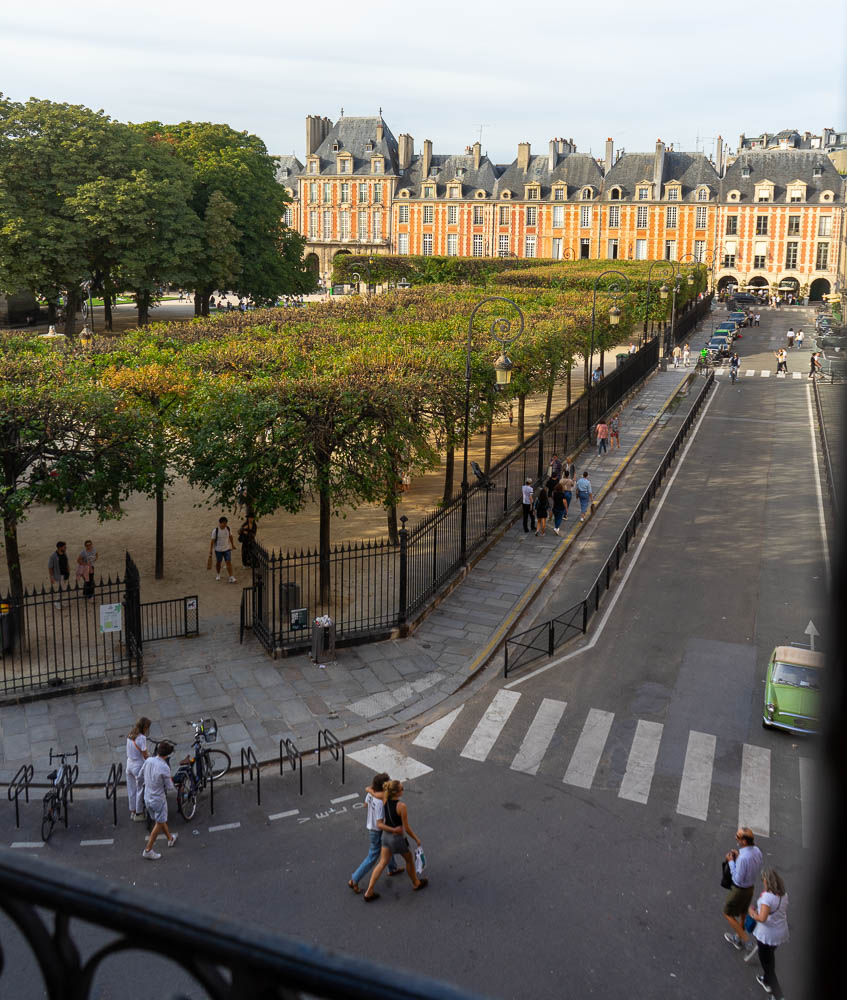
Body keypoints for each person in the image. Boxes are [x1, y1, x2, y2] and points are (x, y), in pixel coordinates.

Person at [363, 779, 427, 901]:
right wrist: (416, 839)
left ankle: (369, 891)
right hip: (397, 839)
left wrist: (368, 789)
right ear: (397, 793)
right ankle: (416, 883)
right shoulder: (401, 806)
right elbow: (406, 828)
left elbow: (373, 793)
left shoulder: (384, 798)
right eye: (402, 788)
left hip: (386, 836)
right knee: (409, 860)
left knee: (382, 863)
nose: (403, 790)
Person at [348, 772, 400, 893]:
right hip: (378, 830)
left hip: (372, 828)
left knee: (388, 846)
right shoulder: (381, 802)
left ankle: (392, 868)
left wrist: (372, 792)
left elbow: (365, 804)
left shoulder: (371, 794)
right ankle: (354, 879)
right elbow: (380, 823)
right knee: (373, 856)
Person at [747, 868, 789, 998]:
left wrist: (752, 912)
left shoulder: (767, 898)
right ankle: (765, 980)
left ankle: (778, 996)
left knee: (768, 966)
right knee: (770, 957)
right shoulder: (783, 895)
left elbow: (762, 918)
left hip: (767, 935)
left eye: (764, 881)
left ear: (768, 882)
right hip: (780, 932)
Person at [723, 826, 763, 953]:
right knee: (743, 913)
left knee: (727, 913)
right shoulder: (757, 851)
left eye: (738, 836)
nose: (736, 838)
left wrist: (731, 861)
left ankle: (746, 941)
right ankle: (738, 938)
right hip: (750, 888)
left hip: (739, 890)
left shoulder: (743, 859)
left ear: (744, 841)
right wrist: (739, 855)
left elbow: (737, 879)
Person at [141, 740, 178, 859]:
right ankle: (148, 849)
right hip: (158, 800)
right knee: (159, 823)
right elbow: (169, 786)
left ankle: (170, 838)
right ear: (167, 755)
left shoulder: (148, 761)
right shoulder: (164, 767)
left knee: (160, 820)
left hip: (147, 797)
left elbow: (140, 775)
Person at [126, 717, 151, 821]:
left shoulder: (130, 735)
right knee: (139, 789)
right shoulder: (142, 738)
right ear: (144, 727)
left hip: (129, 764)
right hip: (138, 765)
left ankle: (132, 811)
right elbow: (145, 755)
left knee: (131, 789)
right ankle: (139, 813)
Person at [209, 516, 237, 583]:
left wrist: (233, 545)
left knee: (228, 562)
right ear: (220, 523)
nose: (225, 525)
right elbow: (212, 541)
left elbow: (230, 536)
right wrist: (210, 550)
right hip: (218, 550)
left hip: (227, 549)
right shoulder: (215, 531)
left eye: (226, 523)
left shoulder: (228, 528)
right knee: (218, 562)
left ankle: (231, 576)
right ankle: (218, 574)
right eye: (223, 523)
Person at [47, 541, 70, 607]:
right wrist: (51, 577)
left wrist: (68, 571)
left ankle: (61, 602)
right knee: (61, 589)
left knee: (63, 589)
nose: (66, 548)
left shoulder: (64, 553)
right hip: (59, 575)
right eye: (64, 547)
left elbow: (66, 563)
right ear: (60, 547)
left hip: (65, 574)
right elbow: (50, 567)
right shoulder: (53, 556)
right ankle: (57, 602)